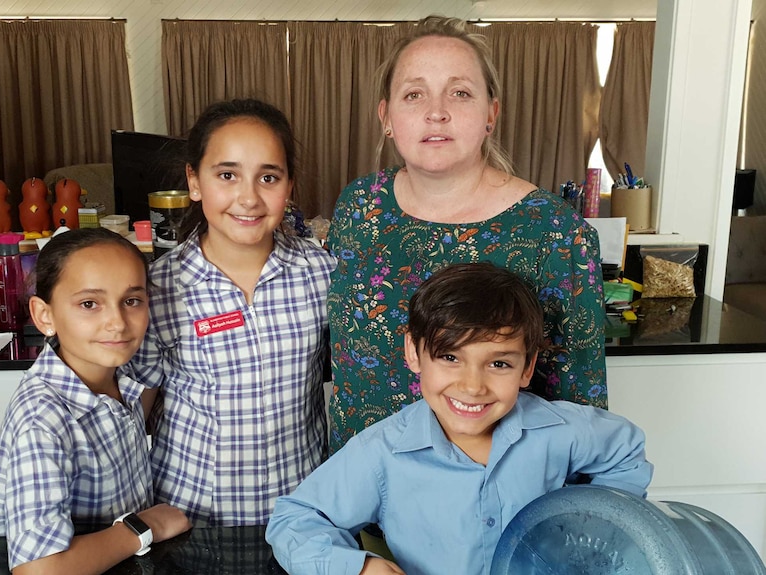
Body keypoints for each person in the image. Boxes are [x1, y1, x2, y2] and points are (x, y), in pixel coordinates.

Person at [327, 15, 607, 453]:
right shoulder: (360, 206)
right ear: (386, 115)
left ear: (491, 113)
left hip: (493, 499)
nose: (436, 111)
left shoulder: (552, 230)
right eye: (414, 94)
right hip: (360, 493)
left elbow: (581, 405)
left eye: (459, 93)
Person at [267, 262, 652, 575]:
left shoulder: (561, 430)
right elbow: (295, 519)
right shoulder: (381, 453)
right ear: (415, 353)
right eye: (450, 357)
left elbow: (625, 451)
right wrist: (361, 568)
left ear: (527, 368)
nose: (472, 386)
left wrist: (596, 530)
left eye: (498, 363)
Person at [128, 98, 335, 526]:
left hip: (301, 518)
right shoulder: (159, 289)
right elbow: (131, 420)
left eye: (268, 177)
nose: (248, 198)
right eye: (227, 175)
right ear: (194, 181)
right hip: (190, 520)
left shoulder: (321, 273)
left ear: (289, 185)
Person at [0, 228, 191, 573]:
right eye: (89, 304)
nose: (117, 323)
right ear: (44, 316)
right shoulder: (43, 418)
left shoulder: (120, 381)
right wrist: (145, 527)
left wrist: (12, 518)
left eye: (132, 301)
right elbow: (40, 569)